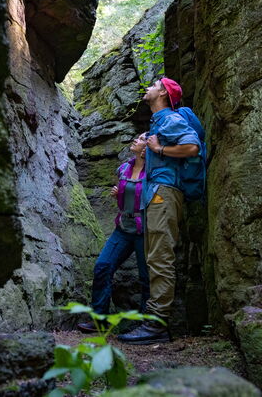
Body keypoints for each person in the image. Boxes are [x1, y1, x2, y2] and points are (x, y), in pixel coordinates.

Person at [118, 77, 201, 345]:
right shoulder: (159, 122)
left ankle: (156, 325)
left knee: (160, 256)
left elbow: (192, 147)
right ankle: (154, 321)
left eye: (153, 85)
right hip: (157, 193)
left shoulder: (169, 119)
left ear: (164, 92)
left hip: (164, 193)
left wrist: (159, 148)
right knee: (155, 256)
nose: (148, 88)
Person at [77, 133, 151, 333]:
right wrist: (118, 193)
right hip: (123, 228)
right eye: (136, 137)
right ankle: (100, 320)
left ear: (148, 146)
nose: (135, 139)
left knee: (147, 276)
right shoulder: (124, 168)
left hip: (145, 230)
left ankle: (147, 324)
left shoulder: (153, 171)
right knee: (103, 266)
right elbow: (126, 193)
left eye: (141, 139)